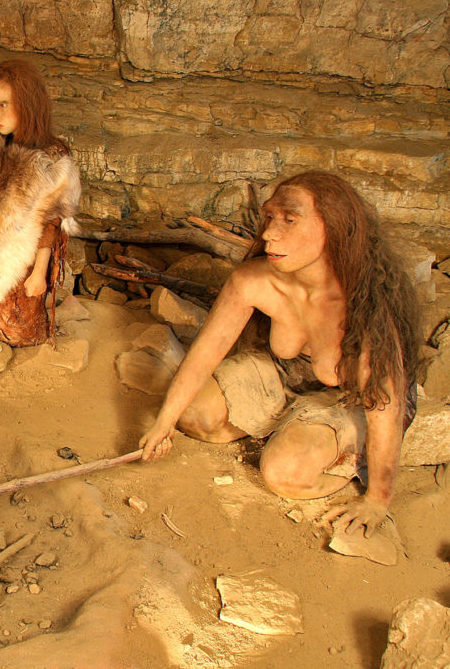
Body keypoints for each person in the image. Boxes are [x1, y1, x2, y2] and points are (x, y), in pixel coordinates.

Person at [139, 171, 420, 537]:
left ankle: (333, 454)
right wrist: (165, 419)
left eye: (290, 220)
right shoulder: (255, 280)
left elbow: (384, 408)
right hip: (287, 375)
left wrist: (378, 498)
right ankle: (290, 429)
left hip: (348, 398)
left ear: (333, 227)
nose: (270, 233)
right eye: (270, 217)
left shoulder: (363, 306)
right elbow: (206, 351)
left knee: (283, 474)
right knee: (193, 414)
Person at [0, 60, 81, 347]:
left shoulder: (50, 156)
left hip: (22, 259)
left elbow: (51, 220)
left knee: (20, 331)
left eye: (3, 105)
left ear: (27, 104)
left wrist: (39, 272)